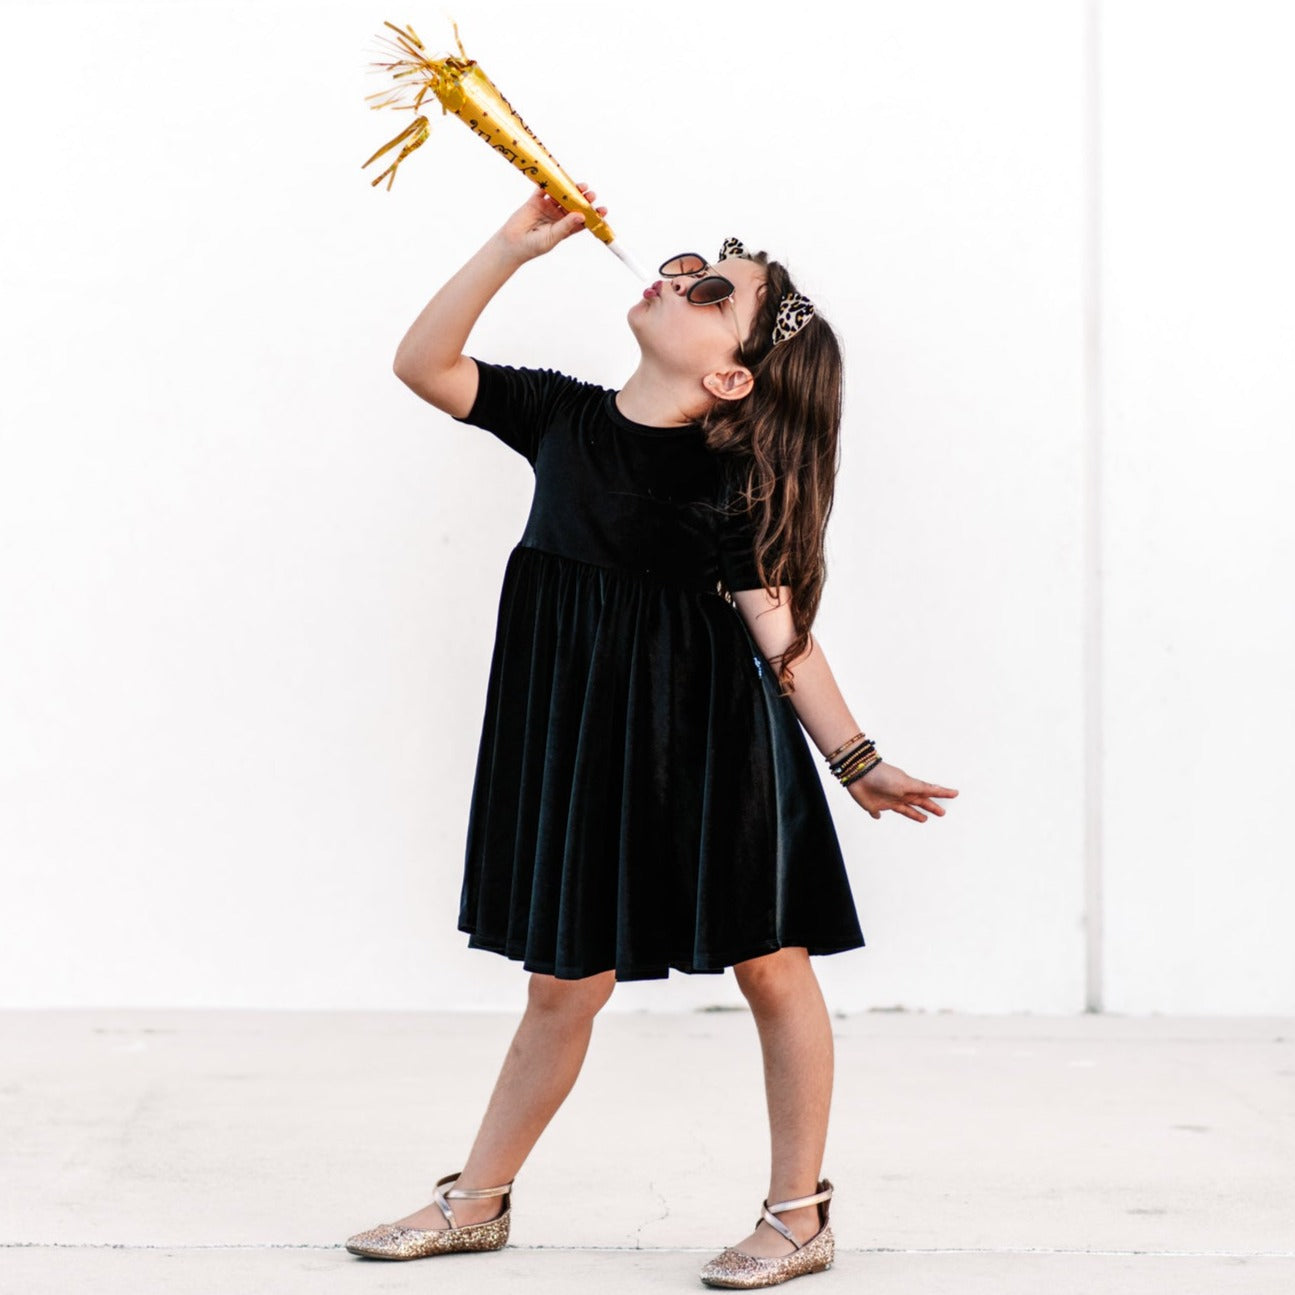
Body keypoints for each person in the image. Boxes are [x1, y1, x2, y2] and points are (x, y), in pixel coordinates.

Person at [345, 182, 959, 1288]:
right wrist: (508, 249)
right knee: (562, 981)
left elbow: (781, 635)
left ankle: (797, 1213)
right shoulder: (561, 417)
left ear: (730, 378)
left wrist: (855, 760)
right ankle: (477, 1198)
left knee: (771, 963)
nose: (679, 277)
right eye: (686, 264)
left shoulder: (731, 482)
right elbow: (422, 363)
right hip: (583, 738)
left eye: (713, 289)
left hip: (710, 741)